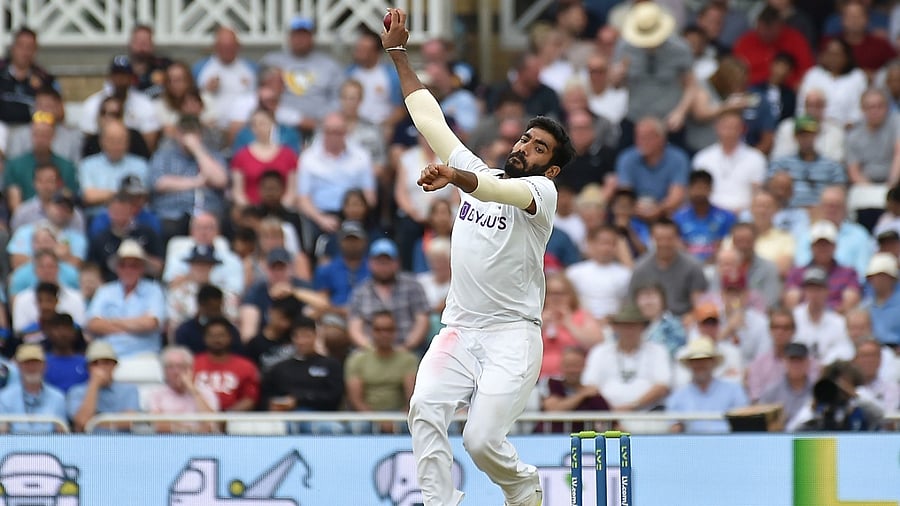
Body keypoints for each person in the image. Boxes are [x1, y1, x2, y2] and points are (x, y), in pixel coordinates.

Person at [382, 8, 575, 506]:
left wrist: (454, 177)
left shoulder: (539, 195)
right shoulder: (476, 171)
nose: (525, 147)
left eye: (538, 148)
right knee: (424, 407)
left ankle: (523, 487)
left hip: (513, 334)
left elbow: (492, 191)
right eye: (525, 139)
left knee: (481, 441)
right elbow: (430, 119)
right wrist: (398, 53)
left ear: (549, 169)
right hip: (460, 329)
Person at [260, 316, 345, 434]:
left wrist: (299, 399)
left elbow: (334, 395)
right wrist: (273, 405)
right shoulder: (280, 368)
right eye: (297, 336)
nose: (301, 341)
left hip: (320, 417)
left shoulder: (331, 365)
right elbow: (267, 394)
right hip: (285, 418)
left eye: (306, 336)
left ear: (316, 336)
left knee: (332, 429)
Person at [260, 15, 344, 134]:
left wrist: (322, 119)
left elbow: (338, 99)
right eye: (296, 34)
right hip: (281, 125)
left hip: (320, 126)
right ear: (289, 36)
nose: (300, 39)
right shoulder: (272, 61)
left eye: (304, 34)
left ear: (312, 36)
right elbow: (262, 95)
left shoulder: (330, 65)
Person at [346, 238, 430, 352]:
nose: (383, 267)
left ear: (397, 263)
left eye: (387, 262)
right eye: (379, 262)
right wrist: (371, 350)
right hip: (370, 351)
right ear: (370, 263)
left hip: (408, 349)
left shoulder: (413, 286)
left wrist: (406, 347)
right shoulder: (360, 291)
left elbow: (422, 320)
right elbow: (355, 327)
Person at [345, 311, 418, 433]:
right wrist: (378, 421)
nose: (384, 334)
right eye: (378, 329)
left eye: (389, 330)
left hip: (399, 414)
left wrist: (396, 420)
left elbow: (411, 397)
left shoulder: (408, 359)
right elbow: (356, 400)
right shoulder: (357, 360)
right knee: (357, 427)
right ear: (371, 331)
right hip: (366, 415)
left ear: (395, 332)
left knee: (413, 426)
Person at [667, 336, 749, 433]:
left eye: (704, 360)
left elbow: (744, 425)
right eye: (695, 361)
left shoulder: (734, 391)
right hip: (692, 445)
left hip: (728, 444)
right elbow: (674, 431)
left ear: (713, 362)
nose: (700, 365)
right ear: (689, 364)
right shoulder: (678, 397)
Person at [629, 218, 709, 316]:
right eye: (659, 239)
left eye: (669, 239)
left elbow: (700, 303)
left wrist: (691, 317)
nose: (664, 243)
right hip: (649, 320)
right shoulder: (641, 268)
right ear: (651, 239)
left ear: (678, 239)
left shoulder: (693, 266)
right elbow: (632, 302)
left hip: (683, 319)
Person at [540, 272, 603, 379]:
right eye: (551, 293)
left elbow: (598, 342)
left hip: (573, 377)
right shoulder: (537, 316)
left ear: (570, 294)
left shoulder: (581, 315)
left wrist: (569, 324)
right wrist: (540, 325)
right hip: (539, 377)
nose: (555, 298)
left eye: (560, 293)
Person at [67, 341, 140, 433]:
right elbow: (82, 422)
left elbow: (131, 421)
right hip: (89, 443)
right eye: (95, 363)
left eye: (106, 362)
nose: (101, 367)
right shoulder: (76, 392)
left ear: (114, 365)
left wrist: (95, 421)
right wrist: (94, 384)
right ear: (88, 368)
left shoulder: (129, 390)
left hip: (123, 442)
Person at [537, 346, 610, 434]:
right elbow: (553, 409)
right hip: (550, 440)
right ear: (561, 366)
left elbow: (610, 420)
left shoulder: (593, 395)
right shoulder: (551, 384)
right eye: (568, 366)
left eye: (576, 365)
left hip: (583, 442)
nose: (572, 370)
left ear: (584, 366)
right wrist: (582, 394)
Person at [145, 346, 219, 433]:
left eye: (181, 366)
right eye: (170, 367)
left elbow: (211, 423)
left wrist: (193, 391)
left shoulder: (206, 392)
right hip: (167, 442)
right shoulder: (156, 394)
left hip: (201, 442)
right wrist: (191, 430)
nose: (176, 371)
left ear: (190, 369)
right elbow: (159, 425)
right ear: (164, 371)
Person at [564, 225, 631, 321]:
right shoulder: (574, 272)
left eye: (612, 244)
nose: (608, 248)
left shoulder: (626, 274)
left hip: (614, 324)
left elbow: (627, 304)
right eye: (604, 243)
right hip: (581, 323)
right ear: (591, 244)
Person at [193, 317, 260, 412]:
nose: (216, 339)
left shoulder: (246, 366)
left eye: (221, 335)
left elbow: (250, 398)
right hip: (197, 418)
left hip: (234, 421)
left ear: (230, 337)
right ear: (204, 338)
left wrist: (226, 417)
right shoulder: (192, 364)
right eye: (212, 336)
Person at [0, 344, 67, 434]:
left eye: (36, 362)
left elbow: (62, 435)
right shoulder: (4, 397)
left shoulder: (58, 398)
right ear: (18, 366)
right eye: (26, 363)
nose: (31, 367)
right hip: (15, 447)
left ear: (44, 365)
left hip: (48, 446)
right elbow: (3, 434)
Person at [673, 170, 736, 263]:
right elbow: (677, 245)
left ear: (711, 189)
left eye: (703, 188)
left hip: (717, 266)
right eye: (696, 188)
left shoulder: (726, 217)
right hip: (687, 266)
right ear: (689, 189)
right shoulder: (678, 217)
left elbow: (726, 245)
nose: (699, 192)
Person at [758, 342, 815, 430]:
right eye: (792, 360)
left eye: (800, 360)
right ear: (784, 362)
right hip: (779, 441)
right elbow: (761, 423)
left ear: (808, 362)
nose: (796, 365)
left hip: (811, 441)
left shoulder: (818, 391)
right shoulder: (771, 393)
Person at [861, 253, 900, 347]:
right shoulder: (865, 305)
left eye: (883, 276)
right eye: (875, 277)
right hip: (872, 352)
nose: (879, 280)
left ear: (892, 279)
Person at [43, 313, 88, 394]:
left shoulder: (86, 363)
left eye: (66, 328)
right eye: (57, 329)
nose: (62, 334)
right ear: (49, 333)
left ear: (74, 333)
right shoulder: (42, 364)